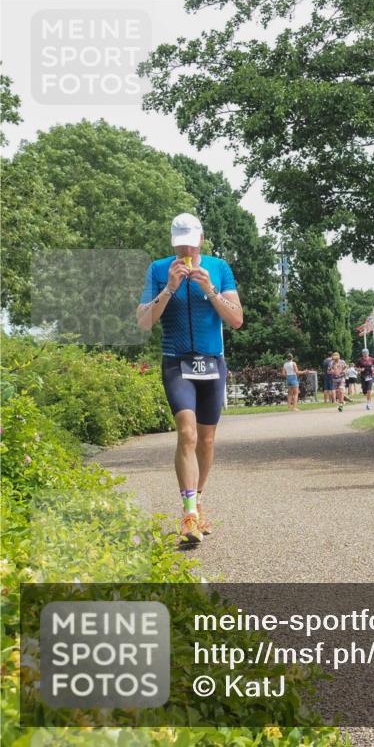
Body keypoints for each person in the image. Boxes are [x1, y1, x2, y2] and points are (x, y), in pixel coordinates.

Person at [136, 212, 243, 543]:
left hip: (212, 363)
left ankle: (197, 503)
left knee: (207, 439)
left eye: (191, 243)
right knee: (187, 432)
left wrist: (209, 288)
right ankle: (189, 514)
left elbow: (236, 319)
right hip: (176, 361)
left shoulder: (219, 268)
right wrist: (169, 288)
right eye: (181, 243)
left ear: (201, 239)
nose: (187, 250)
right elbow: (143, 322)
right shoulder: (158, 269)